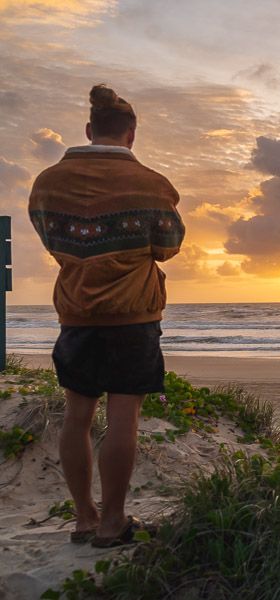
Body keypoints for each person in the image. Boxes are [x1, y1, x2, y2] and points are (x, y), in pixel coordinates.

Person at [28, 84, 184, 547]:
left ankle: (84, 518)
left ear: (89, 129)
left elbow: (51, 239)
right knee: (123, 421)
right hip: (133, 315)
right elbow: (168, 246)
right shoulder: (152, 184)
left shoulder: (47, 182)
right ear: (131, 134)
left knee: (77, 418)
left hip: (76, 314)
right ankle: (114, 522)